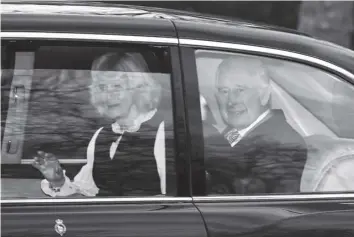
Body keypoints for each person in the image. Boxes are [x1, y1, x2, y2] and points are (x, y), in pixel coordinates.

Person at [32, 52, 171, 197]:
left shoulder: (163, 132)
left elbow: (172, 204)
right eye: (103, 88)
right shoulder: (100, 135)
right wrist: (58, 181)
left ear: (139, 89)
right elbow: (86, 190)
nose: (108, 96)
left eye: (117, 87)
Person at [204, 56, 308, 195]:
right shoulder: (233, 133)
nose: (231, 101)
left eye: (240, 90)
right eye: (224, 91)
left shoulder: (281, 145)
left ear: (264, 94)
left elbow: (239, 199)